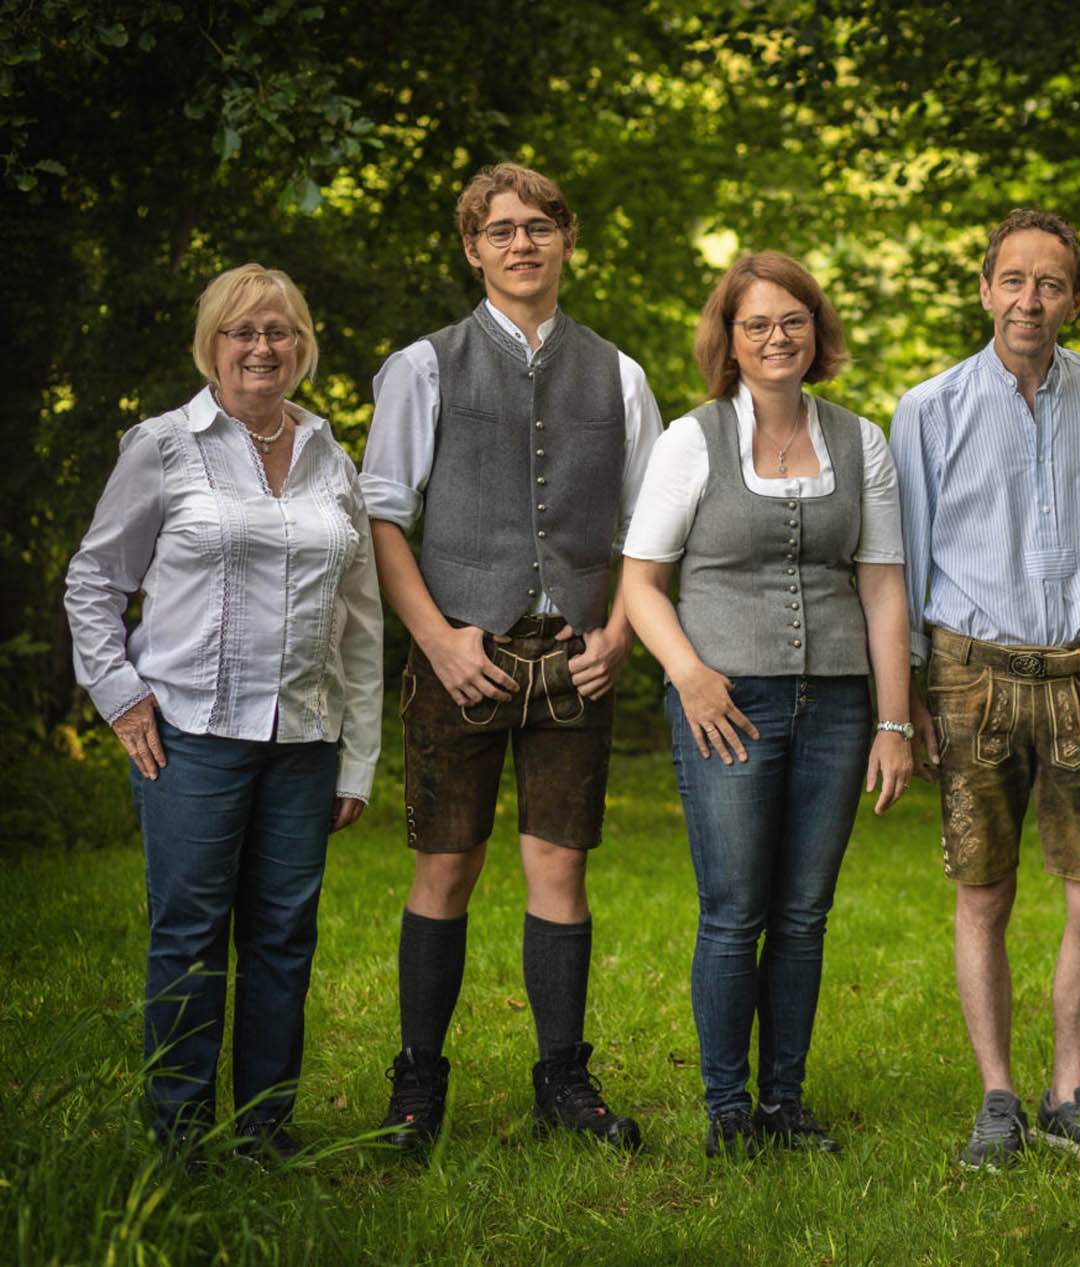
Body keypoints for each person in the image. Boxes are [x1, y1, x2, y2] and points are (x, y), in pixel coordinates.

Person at [361, 162, 662, 1152]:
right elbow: (383, 520)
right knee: (444, 866)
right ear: (471, 248)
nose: (521, 243)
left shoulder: (619, 375)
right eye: (500, 230)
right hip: (462, 653)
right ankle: (417, 1087)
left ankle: (561, 1080)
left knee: (559, 871)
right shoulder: (424, 366)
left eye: (539, 226)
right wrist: (437, 639)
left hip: (572, 661)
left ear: (568, 239)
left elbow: (649, 531)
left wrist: (617, 636)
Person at [65, 263, 383, 1160]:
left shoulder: (332, 456)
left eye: (278, 330)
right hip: (190, 739)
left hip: (303, 744)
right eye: (241, 331)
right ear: (212, 345)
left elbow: (360, 622)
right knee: (190, 938)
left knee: (284, 941)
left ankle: (264, 1135)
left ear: (302, 345)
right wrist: (121, 694)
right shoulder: (164, 445)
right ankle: (176, 1137)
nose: (261, 346)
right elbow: (94, 582)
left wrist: (357, 758)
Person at [892, 209, 1080, 1167]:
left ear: (1076, 301)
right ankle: (998, 1096)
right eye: (1012, 279)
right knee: (985, 893)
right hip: (972, 678)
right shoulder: (928, 409)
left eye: (1049, 283)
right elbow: (904, 560)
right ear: (984, 289)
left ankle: (1070, 1088)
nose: (1029, 299)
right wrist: (915, 696)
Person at [620, 251, 913, 1157]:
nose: (778, 337)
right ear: (730, 340)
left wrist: (894, 722)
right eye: (758, 324)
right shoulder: (690, 439)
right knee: (735, 907)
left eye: (794, 320)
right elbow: (640, 582)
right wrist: (689, 674)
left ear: (817, 333)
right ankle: (727, 1110)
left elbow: (884, 590)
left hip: (835, 705)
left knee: (803, 910)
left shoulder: (860, 441)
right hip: (725, 701)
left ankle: (786, 1103)